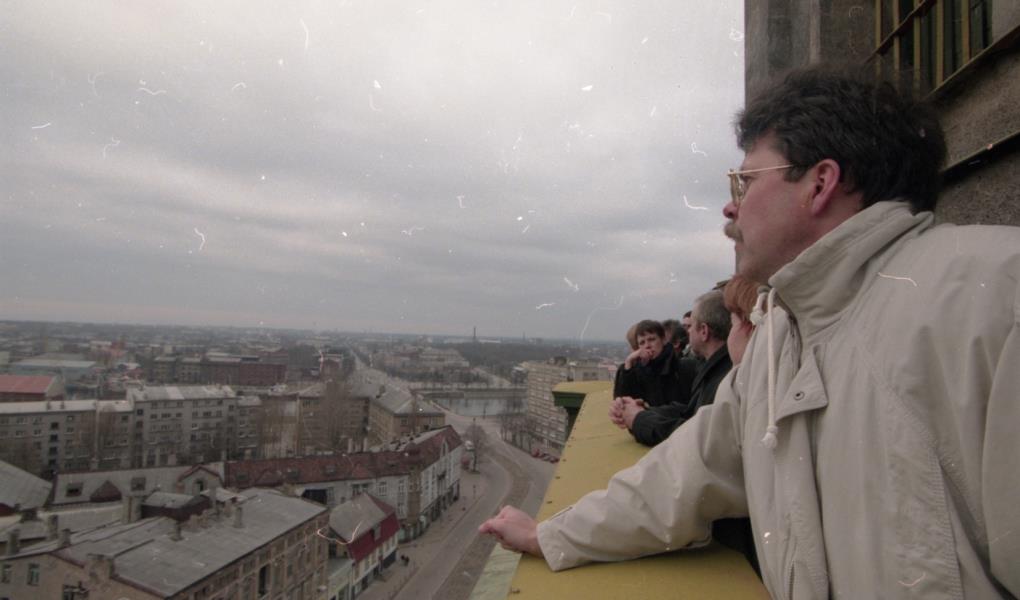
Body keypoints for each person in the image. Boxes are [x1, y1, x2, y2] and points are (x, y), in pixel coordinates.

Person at [480, 65, 1020, 598]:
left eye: (745, 180)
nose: (729, 204)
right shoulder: (781, 337)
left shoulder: (995, 296)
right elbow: (685, 476)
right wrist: (554, 535)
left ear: (820, 184)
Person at [612, 290, 732, 446]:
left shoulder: (718, 375)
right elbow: (689, 411)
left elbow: (696, 436)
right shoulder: (714, 369)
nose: (687, 331)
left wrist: (639, 419)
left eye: (691, 326)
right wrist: (643, 411)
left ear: (703, 331)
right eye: (642, 342)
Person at [611, 320, 695, 408]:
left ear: (663, 340)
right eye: (642, 343)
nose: (647, 345)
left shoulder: (683, 366)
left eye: (651, 339)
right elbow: (623, 405)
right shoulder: (639, 371)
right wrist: (628, 363)